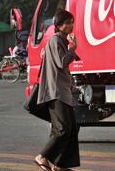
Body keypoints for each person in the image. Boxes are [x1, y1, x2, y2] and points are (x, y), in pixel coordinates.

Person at [34, 9, 80, 171]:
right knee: (62, 130)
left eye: (71, 21)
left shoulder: (61, 40)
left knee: (70, 129)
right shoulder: (55, 41)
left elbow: (61, 69)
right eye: (67, 22)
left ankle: (60, 165)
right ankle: (42, 156)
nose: (70, 25)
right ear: (59, 25)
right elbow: (62, 63)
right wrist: (73, 48)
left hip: (63, 91)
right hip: (55, 92)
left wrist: (70, 82)